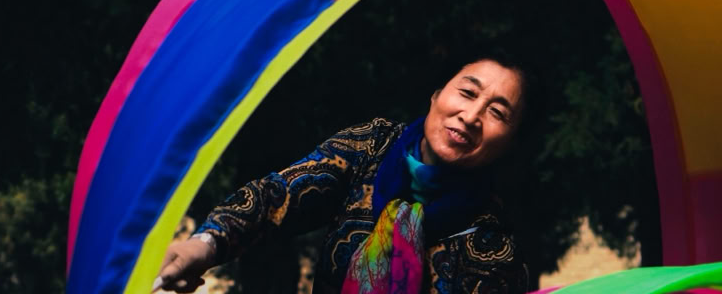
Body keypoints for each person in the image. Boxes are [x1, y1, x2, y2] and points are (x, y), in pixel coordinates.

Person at [156, 56, 532, 294]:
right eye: (467, 92)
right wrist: (205, 245)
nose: (471, 116)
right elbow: (277, 197)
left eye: (497, 113)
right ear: (437, 95)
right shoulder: (372, 145)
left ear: (511, 143)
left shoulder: (493, 249)